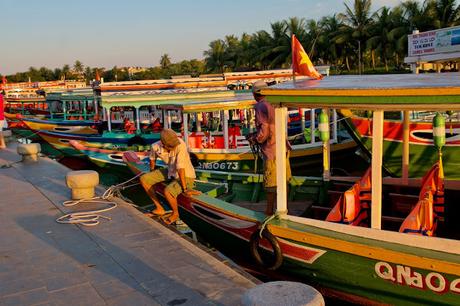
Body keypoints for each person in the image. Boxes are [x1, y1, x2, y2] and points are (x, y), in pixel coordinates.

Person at [248, 81, 291, 215]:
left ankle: (269, 211)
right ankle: (283, 207)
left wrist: (255, 139)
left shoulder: (261, 106)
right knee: (284, 180)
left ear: (256, 94)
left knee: (271, 183)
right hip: (283, 148)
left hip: (272, 150)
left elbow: (264, 132)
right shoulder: (274, 101)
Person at [140, 129, 200, 224]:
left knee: (168, 191)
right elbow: (152, 159)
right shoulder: (155, 146)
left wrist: (185, 189)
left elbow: (180, 168)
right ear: (163, 144)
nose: (174, 146)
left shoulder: (181, 145)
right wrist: (152, 173)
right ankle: (159, 208)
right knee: (144, 179)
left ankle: (175, 214)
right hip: (170, 171)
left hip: (187, 174)